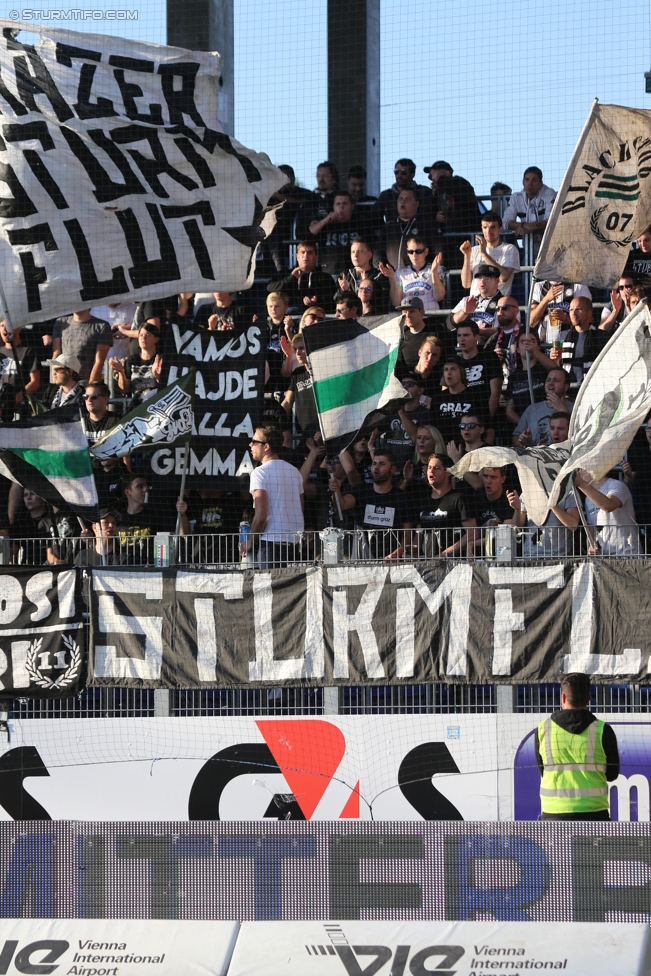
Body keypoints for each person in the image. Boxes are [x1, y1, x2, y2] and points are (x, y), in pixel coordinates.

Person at [534, 672, 619, 821]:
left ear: (563, 697)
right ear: (589, 698)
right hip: (594, 813)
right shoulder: (602, 730)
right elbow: (612, 774)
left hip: (553, 815)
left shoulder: (543, 729)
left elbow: (543, 770)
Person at [330, 449, 414, 558]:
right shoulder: (361, 492)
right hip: (362, 560)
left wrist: (396, 555)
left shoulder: (403, 497)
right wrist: (336, 490)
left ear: (393, 469)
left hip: (391, 562)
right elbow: (342, 504)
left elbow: (408, 534)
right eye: (374, 463)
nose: (376, 467)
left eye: (382, 464)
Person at [246, 425, 304, 568]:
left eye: (254, 442)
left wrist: (251, 540)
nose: (250, 444)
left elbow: (260, 516)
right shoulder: (295, 472)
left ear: (266, 446)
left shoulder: (259, 473)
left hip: (272, 542)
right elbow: (300, 508)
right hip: (294, 542)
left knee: (270, 588)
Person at [409, 453, 476, 557]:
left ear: (447, 472)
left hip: (454, 564)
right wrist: (410, 555)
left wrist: (444, 554)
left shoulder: (459, 499)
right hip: (426, 565)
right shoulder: (423, 501)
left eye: (436, 468)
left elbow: (473, 534)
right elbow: (419, 534)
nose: (431, 471)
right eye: (429, 467)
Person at [425, 160, 481, 271]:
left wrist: (440, 181)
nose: (431, 176)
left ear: (446, 172)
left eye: (434, 172)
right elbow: (428, 212)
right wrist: (435, 216)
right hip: (445, 244)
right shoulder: (435, 192)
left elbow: (462, 196)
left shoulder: (460, 183)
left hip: (464, 241)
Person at [116, 475, 187, 561]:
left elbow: (182, 536)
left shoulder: (156, 514)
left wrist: (182, 514)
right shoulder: (118, 518)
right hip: (123, 570)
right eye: (139, 487)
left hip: (152, 570)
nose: (145, 490)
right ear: (128, 492)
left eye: (146, 486)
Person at [573, 467, 639, 556]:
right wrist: (591, 546)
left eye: (581, 468)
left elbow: (608, 506)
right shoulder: (588, 499)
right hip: (605, 558)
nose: (579, 472)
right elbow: (592, 529)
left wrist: (581, 484)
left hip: (627, 554)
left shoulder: (617, 485)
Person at [549, 297, 606, 389]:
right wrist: (555, 359)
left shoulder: (601, 336)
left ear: (589, 313)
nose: (573, 313)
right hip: (567, 391)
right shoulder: (562, 336)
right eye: (571, 309)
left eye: (578, 309)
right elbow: (556, 367)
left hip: (592, 389)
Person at [459, 212, 520, 297]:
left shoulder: (510, 249)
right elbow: (466, 284)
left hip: (497, 305)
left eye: (493, 227)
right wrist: (467, 256)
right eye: (485, 227)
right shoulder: (474, 250)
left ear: (500, 229)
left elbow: (503, 277)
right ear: (482, 229)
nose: (488, 231)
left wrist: (484, 253)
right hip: (474, 305)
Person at [308, 190, 368, 275]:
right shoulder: (326, 225)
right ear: (333, 206)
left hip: (353, 274)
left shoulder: (361, 225)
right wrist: (325, 220)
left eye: (345, 203)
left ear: (352, 207)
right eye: (338, 204)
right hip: (328, 274)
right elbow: (308, 236)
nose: (341, 207)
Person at [374, 188, 436, 271]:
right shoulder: (388, 227)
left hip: (418, 278)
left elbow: (438, 250)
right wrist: (380, 265)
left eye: (408, 199)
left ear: (416, 203)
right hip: (392, 278)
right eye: (400, 199)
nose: (403, 202)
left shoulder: (427, 224)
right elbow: (377, 252)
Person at [453, 322, 503, 424]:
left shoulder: (489, 357)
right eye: (459, 335)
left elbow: (495, 392)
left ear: (477, 337)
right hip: (460, 418)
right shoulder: (454, 361)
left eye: (466, 335)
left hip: (484, 415)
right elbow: (447, 392)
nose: (462, 339)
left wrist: (486, 421)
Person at [268, 241, 336, 314]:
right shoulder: (286, 274)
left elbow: (332, 301)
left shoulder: (325, 277)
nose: (305, 256)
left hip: (314, 317)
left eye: (309, 253)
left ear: (316, 256)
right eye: (302, 252)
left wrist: (316, 301)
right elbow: (269, 288)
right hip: (288, 317)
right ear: (297, 256)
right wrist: (291, 278)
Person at [379, 236, 446, 311]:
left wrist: (433, 272)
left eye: (418, 251)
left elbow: (439, 297)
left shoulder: (437, 268)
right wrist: (392, 278)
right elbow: (396, 302)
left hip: (431, 317)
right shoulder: (400, 273)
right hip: (409, 318)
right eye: (411, 252)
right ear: (407, 252)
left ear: (426, 252)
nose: (414, 255)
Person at [504, 331, 555, 426]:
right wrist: (526, 424)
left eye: (532, 341)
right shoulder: (514, 377)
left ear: (538, 346)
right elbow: (509, 411)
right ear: (517, 349)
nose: (527, 345)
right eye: (523, 341)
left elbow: (555, 369)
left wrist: (535, 352)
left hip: (547, 423)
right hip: (524, 428)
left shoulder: (545, 369)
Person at [81, 381, 121, 503]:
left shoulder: (117, 421)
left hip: (111, 474)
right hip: (87, 475)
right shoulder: (79, 423)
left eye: (94, 396)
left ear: (105, 399)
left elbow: (125, 454)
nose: (89, 400)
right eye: (85, 396)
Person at [512, 367, 572, 447]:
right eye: (548, 380)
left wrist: (563, 409)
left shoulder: (575, 408)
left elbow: (581, 436)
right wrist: (523, 443)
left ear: (566, 387)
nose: (551, 383)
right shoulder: (532, 409)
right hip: (534, 457)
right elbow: (515, 438)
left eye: (556, 380)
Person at [51, 308, 112, 384]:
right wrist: (55, 382)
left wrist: (90, 388)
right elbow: (56, 354)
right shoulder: (60, 322)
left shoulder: (102, 326)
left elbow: (99, 361)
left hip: (85, 382)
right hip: (65, 382)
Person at [502, 166, 557, 251]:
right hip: (528, 248)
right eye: (527, 180)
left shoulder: (549, 193)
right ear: (523, 182)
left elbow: (551, 220)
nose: (529, 183)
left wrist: (529, 228)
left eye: (534, 180)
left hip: (550, 245)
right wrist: (523, 225)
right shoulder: (516, 197)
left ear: (540, 183)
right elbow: (505, 222)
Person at [110, 322, 162, 401]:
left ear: (156, 339)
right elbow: (125, 389)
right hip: (136, 404)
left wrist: (157, 375)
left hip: (156, 402)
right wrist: (121, 372)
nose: (143, 338)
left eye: (148, 335)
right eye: (140, 335)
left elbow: (166, 386)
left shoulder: (161, 359)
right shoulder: (131, 360)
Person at [430, 359, 477, 446]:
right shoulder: (437, 398)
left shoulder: (475, 396)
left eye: (453, 369)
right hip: (442, 448)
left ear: (461, 372)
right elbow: (432, 427)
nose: (449, 373)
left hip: (467, 448)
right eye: (446, 369)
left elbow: (487, 428)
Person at [372, 158, 431, 225]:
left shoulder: (424, 192)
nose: (399, 175)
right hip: (393, 234)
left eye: (403, 172)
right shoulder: (386, 195)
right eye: (396, 171)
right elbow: (372, 217)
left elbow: (429, 216)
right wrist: (385, 230)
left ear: (412, 174)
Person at [281, 333, 318, 439]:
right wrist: (275, 418)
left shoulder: (323, 371)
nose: (297, 353)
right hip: (303, 432)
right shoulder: (297, 373)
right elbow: (287, 402)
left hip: (324, 431)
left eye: (302, 348)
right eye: (295, 349)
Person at [337, 240, 390, 313]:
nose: (355, 255)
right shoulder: (344, 276)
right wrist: (343, 291)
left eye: (360, 251)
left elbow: (383, 302)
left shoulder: (380, 276)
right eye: (353, 252)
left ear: (370, 255)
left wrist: (367, 286)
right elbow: (336, 302)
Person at [452, 264, 503, 337]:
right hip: (465, 346)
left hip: (489, 345)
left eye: (487, 278)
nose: (482, 281)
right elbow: (450, 322)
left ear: (497, 281)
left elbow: (506, 330)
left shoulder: (505, 303)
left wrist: (477, 332)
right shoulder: (467, 300)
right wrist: (464, 312)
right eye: (479, 278)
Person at [0, 321, 40, 402]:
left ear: (19, 328)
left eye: (8, 325)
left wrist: (17, 398)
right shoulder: (0, 353)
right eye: (1, 326)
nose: (4, 329)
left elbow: (35, 382)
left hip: (22, 406)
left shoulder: (28, 350)